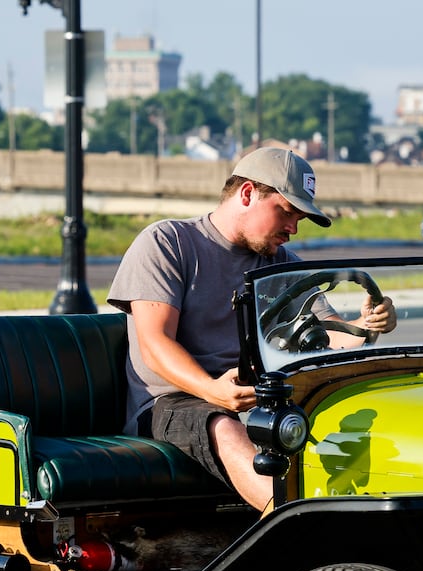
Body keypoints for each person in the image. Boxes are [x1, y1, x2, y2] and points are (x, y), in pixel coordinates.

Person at [106, 146, 397, 511]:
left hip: (260, 396)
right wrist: (214, 391)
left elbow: (326, 330)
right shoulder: (169, 243)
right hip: (172, 401)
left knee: (359, 415)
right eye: (287, 212)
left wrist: (367, 323)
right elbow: (155, 343)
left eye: (299, 220)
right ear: (247, 194)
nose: (292, 229)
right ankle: (304, 530)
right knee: (223, 426)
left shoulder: (279, 263)